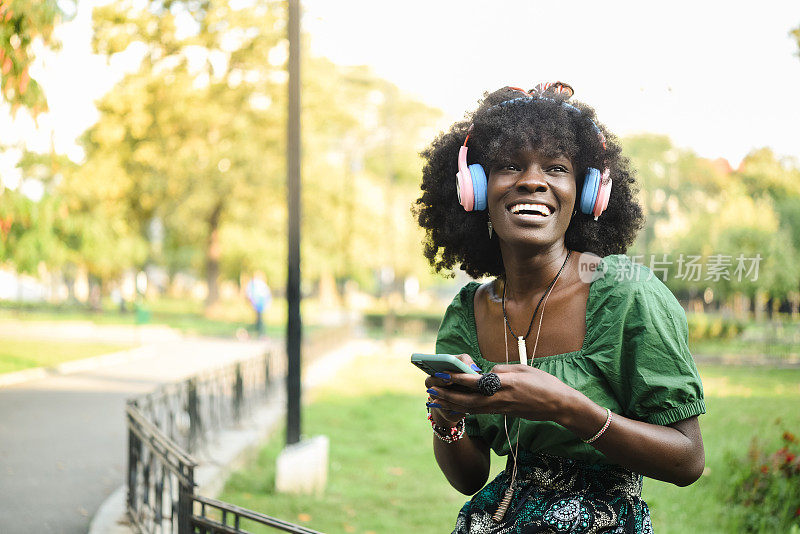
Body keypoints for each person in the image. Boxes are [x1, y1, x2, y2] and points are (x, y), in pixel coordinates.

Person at [414, 82, 705, 533]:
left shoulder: (627, 295)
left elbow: (687, 460)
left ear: (587, 194)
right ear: (474, 190)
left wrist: (564, 406)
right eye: (509, 166)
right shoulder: (467, 313)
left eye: (556, 167)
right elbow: (469, 478)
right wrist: (448, 418)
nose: (532, 180)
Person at [245, 272, 271, 337]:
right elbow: (250, 294)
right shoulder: (253, 284)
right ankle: (259, 333)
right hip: (256, 304)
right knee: (259, 320)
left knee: (259, 320)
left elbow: (266, 294)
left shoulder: (260, 284)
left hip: (260, 304)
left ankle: (258, 333)